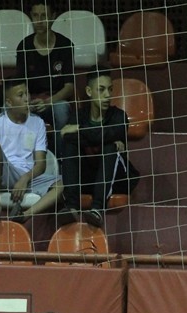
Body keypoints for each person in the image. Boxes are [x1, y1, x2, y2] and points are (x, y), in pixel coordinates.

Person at [59, 70, 139, 228]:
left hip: (117, 179)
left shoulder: (119, 116)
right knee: (70, 146)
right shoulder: (79, 116)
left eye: (110, 89)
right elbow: (67, 137)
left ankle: (97, 209)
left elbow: (113, 133)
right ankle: (71, 207)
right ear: (89, 91)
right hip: (88, 177)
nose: (107, 95)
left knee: (110, 147)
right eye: (101, 90)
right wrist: (102, 135)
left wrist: (80, 130)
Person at [0, 78, 62, 224]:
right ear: (9, 102)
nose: (26, 98)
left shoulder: (38, 122)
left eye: (27, 93)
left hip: (29, 178)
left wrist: (24, 179)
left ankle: (24, 215)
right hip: (4, 173)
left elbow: (41, 164)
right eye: (20, 95)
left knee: (62, 185)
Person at [15, 2, 74, 154]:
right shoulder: (24, 46)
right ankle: (21, 159)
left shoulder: (65, 45)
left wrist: (48, 102)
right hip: (31, 101)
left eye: (44, 16)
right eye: (35, 16)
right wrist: (27, 102)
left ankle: (61, 160)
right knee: (8, 108)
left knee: (62, 110)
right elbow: (19, 84)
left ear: (52, 17)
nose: (39, 21)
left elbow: (69, 87)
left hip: (54, 101)